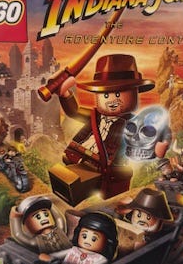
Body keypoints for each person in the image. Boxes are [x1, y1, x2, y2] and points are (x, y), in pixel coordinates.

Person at [49, 54, 169, 205]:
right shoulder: (94, 115)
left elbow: (144, 139)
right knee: (68, 185)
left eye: (118, 94)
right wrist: (65, 94)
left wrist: (156, 148)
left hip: (110, 173)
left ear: (134, 93)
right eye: (105, 94)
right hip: (79, 158)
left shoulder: (133, 123)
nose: (112, 100)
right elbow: (74, 111)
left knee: (108, 201)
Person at [42, 212, 119, 264]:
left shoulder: (101, 259)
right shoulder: (74, 250)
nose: (87, 241)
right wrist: (49, 257)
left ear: (107, 242)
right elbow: (56, 255)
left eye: (94, 239)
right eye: (84, 236)